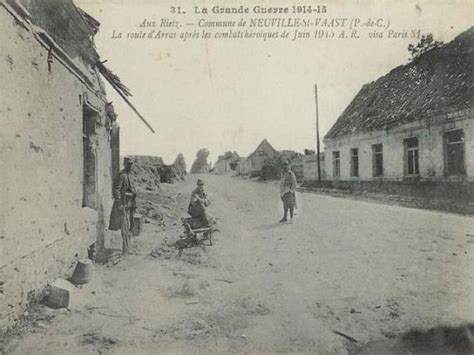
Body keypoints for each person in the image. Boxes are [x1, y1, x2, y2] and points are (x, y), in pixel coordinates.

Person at [109, 157, 136, 254]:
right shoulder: (121, 175)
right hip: (123, 205)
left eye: (131, 163)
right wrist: (119, 203)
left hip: (130, 205)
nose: (130, 165)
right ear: (124, 164)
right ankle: (125, 249)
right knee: (124, 226)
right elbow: (116, 190)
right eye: (128, 163)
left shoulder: (130, 175)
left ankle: (128, 247)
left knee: (130, 225)